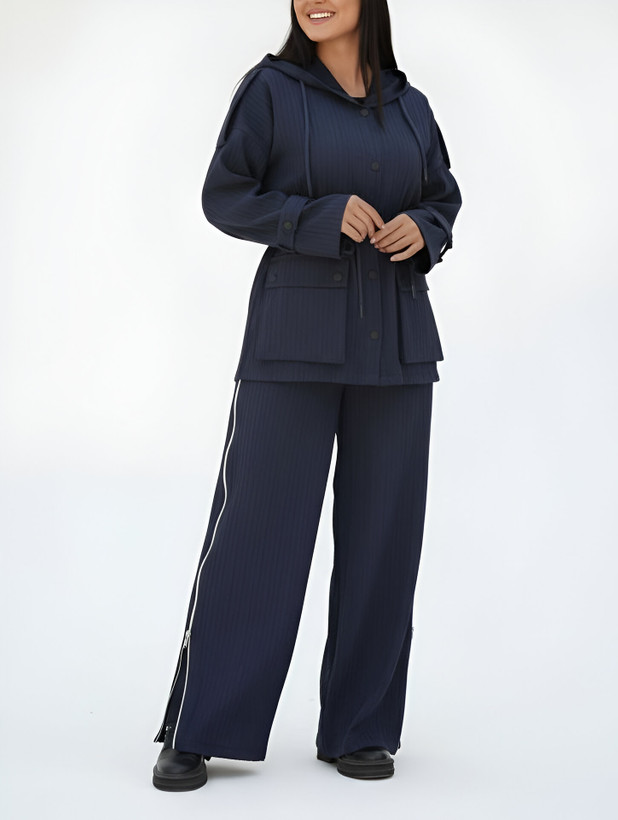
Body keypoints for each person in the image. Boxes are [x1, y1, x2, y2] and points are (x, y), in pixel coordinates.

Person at [152, 0, 462, 790]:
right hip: (292, 342)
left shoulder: (411, 105)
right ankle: (200, 727)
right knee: (256, 535)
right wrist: (312, 218)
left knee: (383, 542)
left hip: (396, 344)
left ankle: (360, 728)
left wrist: (425, 231)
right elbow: (225, 196)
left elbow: (442, 196)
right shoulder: (270, 90)